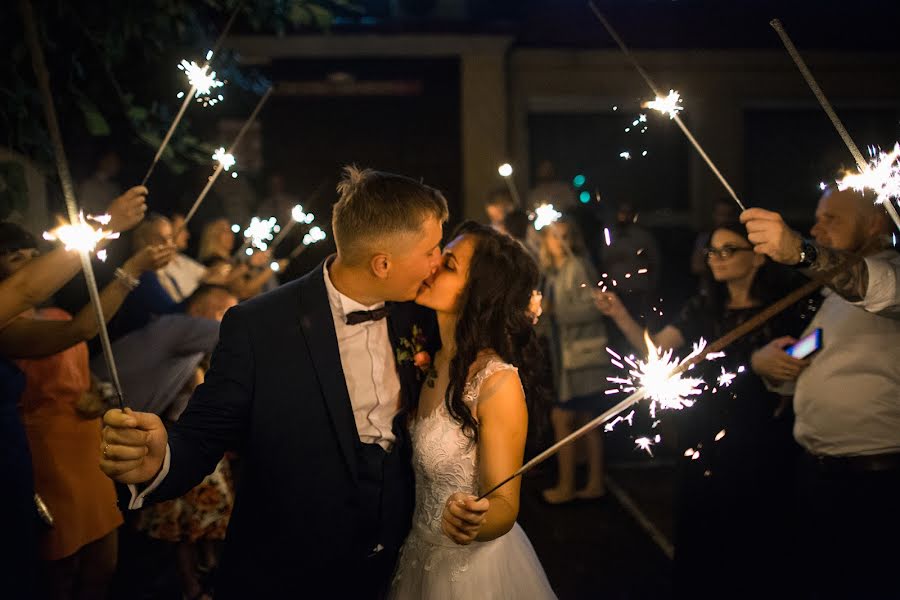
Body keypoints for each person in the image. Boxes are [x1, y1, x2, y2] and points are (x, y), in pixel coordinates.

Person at [100, 166, 448, 598]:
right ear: (383, 264)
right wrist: (162, 457)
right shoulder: (259, 325)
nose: (440, 261)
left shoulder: (422, 313)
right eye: (431, 250)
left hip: (399, 562)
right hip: (289, 568)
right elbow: (205, 434)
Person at [596, 221, 818, 598]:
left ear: (759, 257)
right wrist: (619, 315)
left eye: (728, 250)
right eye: (712, 251)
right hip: (706, 435)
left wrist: (772, 364)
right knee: (703, 532)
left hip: (763, 436)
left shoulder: (787, 306)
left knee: (756, 537)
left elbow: (809, 348)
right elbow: (658, 351)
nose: (716, 258)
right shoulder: (703, 307)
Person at [0, 223, 173, 600]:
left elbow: (83, 371)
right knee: (60, 570)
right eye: (19, 261)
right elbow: (83, 329)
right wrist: (133, 269)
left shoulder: (59, 313)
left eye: (36, 259)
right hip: (46, 452)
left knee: (104, 563)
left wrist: (101, 394)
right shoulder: (7, 328)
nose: (34, 268)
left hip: (86, 446)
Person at [741, 188, 899, 598]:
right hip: (824, 478)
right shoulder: (836, 299)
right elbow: (808, 357)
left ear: (875, 224)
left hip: (878, 485)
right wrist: (767, 364)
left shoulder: (889, 278)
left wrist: (799, 250)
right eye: (816, 219)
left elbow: (873, 285)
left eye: (832, 219)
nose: (816, 228)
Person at [388, 221, 555, 598]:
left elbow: (504, 506)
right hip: (417, 553)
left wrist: (473, 520)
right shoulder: (428, 357)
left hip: (470, 574)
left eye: (448, 265)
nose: (431, 265)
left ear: (478, 292)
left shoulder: (496, 383)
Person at [537, 218, 611, 505]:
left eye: (565, 235)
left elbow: (594, 308)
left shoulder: (578, 266)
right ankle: (592, 482)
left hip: (582, 357)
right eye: (554, 236)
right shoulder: (553, 272)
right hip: (564, 356)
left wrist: (556, 310)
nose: (560, 241)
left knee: (570, 418)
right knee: (583, 419)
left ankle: (570, 484)